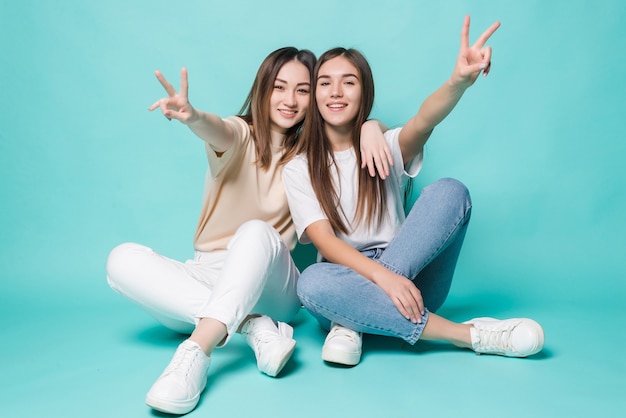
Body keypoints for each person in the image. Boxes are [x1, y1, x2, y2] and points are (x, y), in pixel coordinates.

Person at [106, 47, 389, 415]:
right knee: (121, 260)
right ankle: (252, 327)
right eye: (279, 87)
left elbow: (377, 134)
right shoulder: (240, 135)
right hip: (206, 274)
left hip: (273, 283)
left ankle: (196, 352)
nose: (289, 100)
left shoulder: (313, 153)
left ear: (314, 98)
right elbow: (218, 129)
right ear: (262, 90)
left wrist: (371, 127)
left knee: (255, 231)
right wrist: (194, 118)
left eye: (302, 90)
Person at [282, 16, 545, 367]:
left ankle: (350, 323)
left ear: (365, 93)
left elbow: (425, 119)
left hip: (413, 281)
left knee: (451, 190)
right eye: (325, 83)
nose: (336, 92)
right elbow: (324, 241)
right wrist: (383, 279)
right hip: (345, 280)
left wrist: (457, 83)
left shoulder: (384, 144)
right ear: (314, 95)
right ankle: (470, 335)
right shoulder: (298, 168)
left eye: (349, 82)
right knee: (311, 283)